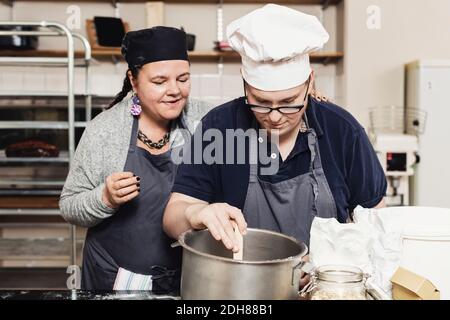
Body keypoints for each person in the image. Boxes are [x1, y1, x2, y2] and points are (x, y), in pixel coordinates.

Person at [163, 4, 387, 255]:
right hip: (241, 285)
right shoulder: (219, 127)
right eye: (261, 103)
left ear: (310, 81)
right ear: (245, 83)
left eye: (289, 103)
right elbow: (173, 215)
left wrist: (340, 258)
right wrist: (196, 212)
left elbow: (375, 218)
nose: (276, 117)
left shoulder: (342, 131)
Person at [59, 26, 213, 292]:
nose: (175, 90)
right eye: (160, 81)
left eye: (183, 78)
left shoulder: (206, 120)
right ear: (133, 80)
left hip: (189, 274)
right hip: (115, 277)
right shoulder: (105, 130)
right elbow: (69, 205)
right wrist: (104, 198)